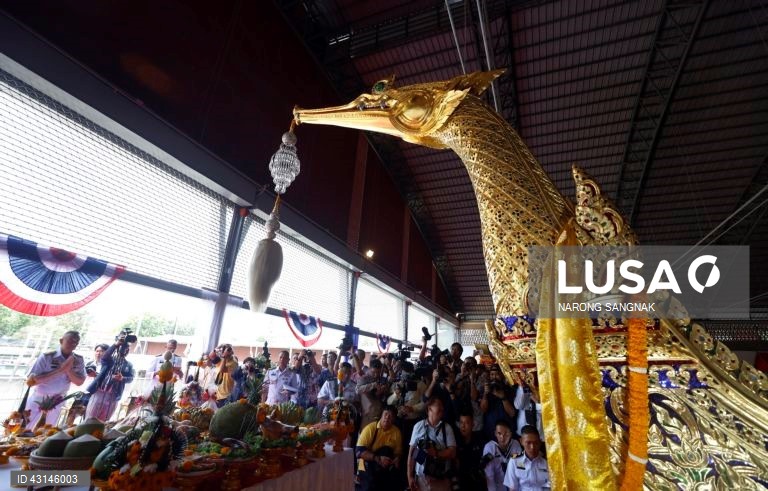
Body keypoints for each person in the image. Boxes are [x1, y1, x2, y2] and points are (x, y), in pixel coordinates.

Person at [25, 331, 86, 429]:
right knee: (25, 428)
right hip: (39, 399)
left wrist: (69, 370)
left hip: (57, 402)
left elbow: (80, 382)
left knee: (46, 430)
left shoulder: (78, 360)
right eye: (70, 341)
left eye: (76, 342)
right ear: (61, 341)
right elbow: (31, 382)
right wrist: (60, 371)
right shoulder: (47, 356)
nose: (73, 344)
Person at [407, 397, 457, 491]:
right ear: (429, 408)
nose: (442, 408)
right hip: (421, 480)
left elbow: (453, 453)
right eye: (439, 406)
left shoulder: (447, 428)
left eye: (443, 406)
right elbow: (411, 455)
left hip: (441, 479)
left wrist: (436, 453)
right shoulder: (418, 426)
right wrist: (410, 477)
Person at [85, 334, 135, 421]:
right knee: (89, 419)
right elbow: (104, 357)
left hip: (114, 395)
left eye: (127, 349)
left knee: (103, 422)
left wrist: (122, 378)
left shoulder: (129, 365)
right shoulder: (109, 360)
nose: (124, 350)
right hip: (99, 393)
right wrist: (116, 344)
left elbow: (131, 378)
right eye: (122, 347)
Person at [355, 406, 403, 491]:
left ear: (394, 419)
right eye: (385, 414)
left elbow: (397, 453)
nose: (387, 417)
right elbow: (358, 452)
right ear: (381, 415)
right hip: (367, 465)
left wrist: (396, 459)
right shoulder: (370, 428)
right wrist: (378, 459)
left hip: (385, 466)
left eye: (390, 416)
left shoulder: (396, 432)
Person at [503, 425, 550, 491]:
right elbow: (513, 488)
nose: (532, 447)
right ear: (521, 441)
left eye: (536, 443)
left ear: (540, 442)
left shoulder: (548, 462)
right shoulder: (514, 461)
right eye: (528, 443)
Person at [483, 419, 522, 491]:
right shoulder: (490, 447)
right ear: (495, 433)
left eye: (506, 434)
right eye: (499, 433)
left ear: (510, 433)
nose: (502, 438)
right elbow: (489, 476)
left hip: (514, 485)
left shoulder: (515, 444)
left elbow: (520, 467)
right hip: (498, 486)